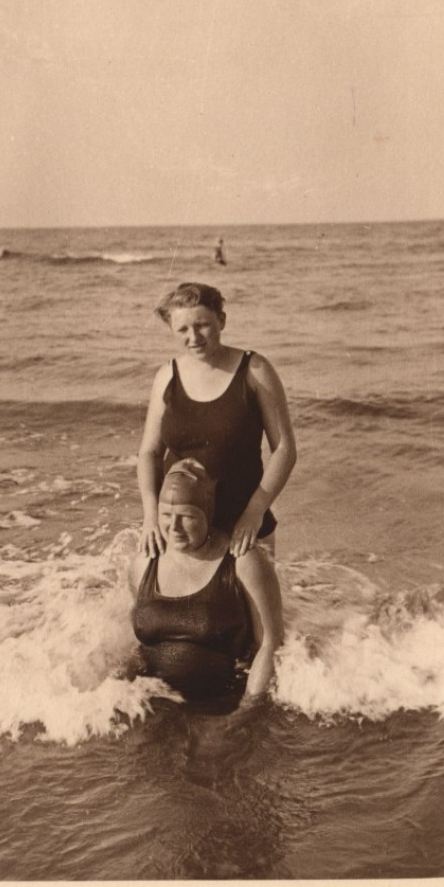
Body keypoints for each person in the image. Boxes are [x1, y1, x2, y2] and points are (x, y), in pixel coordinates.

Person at [137, 281, 296, 561]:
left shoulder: (255, 370)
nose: (194, 337)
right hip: (180, 528)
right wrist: (151, 515)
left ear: (221, 320)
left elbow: (284, 450)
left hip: (241, 527)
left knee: (254, 605)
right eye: (183, 329)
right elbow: (149, 452)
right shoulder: (166, 375)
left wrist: (254, 513)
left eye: (202, 325)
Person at [129, 459, 283, 702]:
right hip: (151, 703)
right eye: (166, 515)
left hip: (222, 705)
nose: (174, 528)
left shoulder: (244, 562)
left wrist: (245, 711)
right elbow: (137, 642)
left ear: (208, 513)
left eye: (187, 516)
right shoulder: (144, 562)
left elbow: (270, 644)